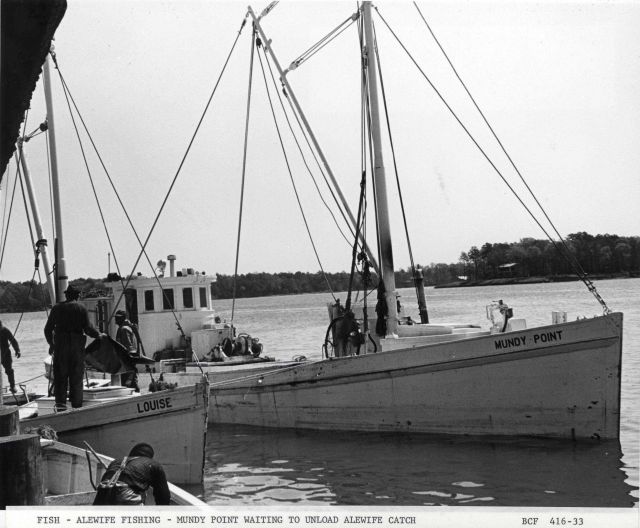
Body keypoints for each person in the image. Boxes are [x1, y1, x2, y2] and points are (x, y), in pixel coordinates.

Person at [44, 284, 102, 411]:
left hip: (61, 347)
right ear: (77, 296)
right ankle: (77, 407)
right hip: (76, 347)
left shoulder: (57, 308)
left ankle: (60, 408)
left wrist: (51, 345)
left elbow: (47, 329)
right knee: (76, 378)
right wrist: (99, 335)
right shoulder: (81, 308)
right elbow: (88, 329)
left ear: (66, 295)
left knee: (60, 378)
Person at [96, 442, 170, 505]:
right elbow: (163, 495)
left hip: (101, 494)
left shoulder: (116, 461)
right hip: (125, 495)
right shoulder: (153, 464)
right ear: (150, 456)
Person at [114, 310, 140, 391]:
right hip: (127, 363)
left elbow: (129, 349)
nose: (115, 320)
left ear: (121, 318)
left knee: (128, 385)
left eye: (117, 318)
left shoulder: (124, 329)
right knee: (130, 384)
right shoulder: (126, 328)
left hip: (126, 363)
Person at [0, 320, 21, 393]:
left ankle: (12, 386)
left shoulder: (4, 330)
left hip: (5, 353)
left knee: (9, 370)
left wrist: (17, 350)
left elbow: (13, 340)